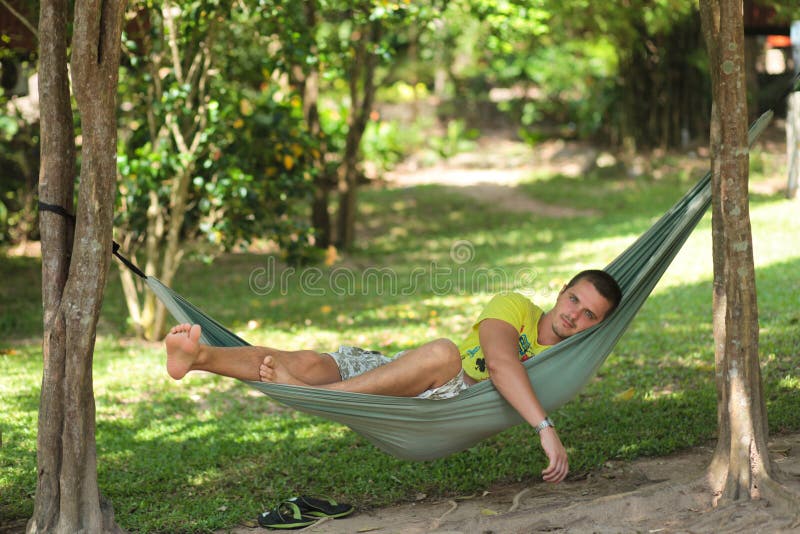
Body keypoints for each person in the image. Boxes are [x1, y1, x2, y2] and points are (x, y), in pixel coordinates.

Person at [164, 269, 622, 484]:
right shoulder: (515, 306)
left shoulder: (572, 360)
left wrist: (543, 427)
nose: (575, 316)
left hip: (448, 403)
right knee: (307, 363)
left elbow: (496, 375)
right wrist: (545, 428)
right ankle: (199, 356)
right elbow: (500, 362)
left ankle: (324, 394)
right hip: (407, 372)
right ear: (561, 291)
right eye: (574, 301)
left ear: (598, 327)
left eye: (588, 316)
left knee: (443, 351)